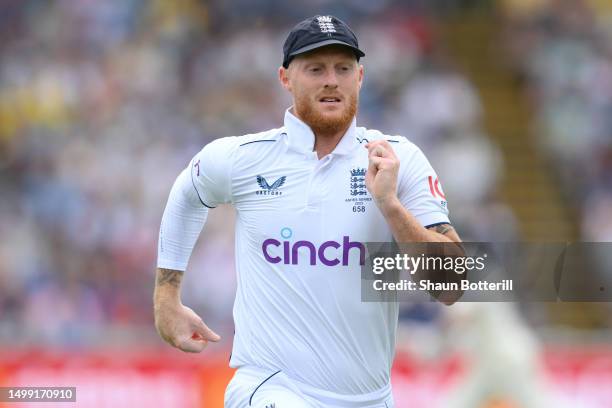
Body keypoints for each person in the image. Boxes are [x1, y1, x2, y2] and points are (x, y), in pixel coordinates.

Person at [154, 15, 461, 408]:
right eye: (315, 69)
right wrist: (167, 296)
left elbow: (451, 285)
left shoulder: (400, 160)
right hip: (268, 386)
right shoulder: (243, 158)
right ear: (286, 79)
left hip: (369, 397)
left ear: (360, 77)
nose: (331, 79)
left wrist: (390, 206)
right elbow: (186, 194)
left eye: (343, 68)